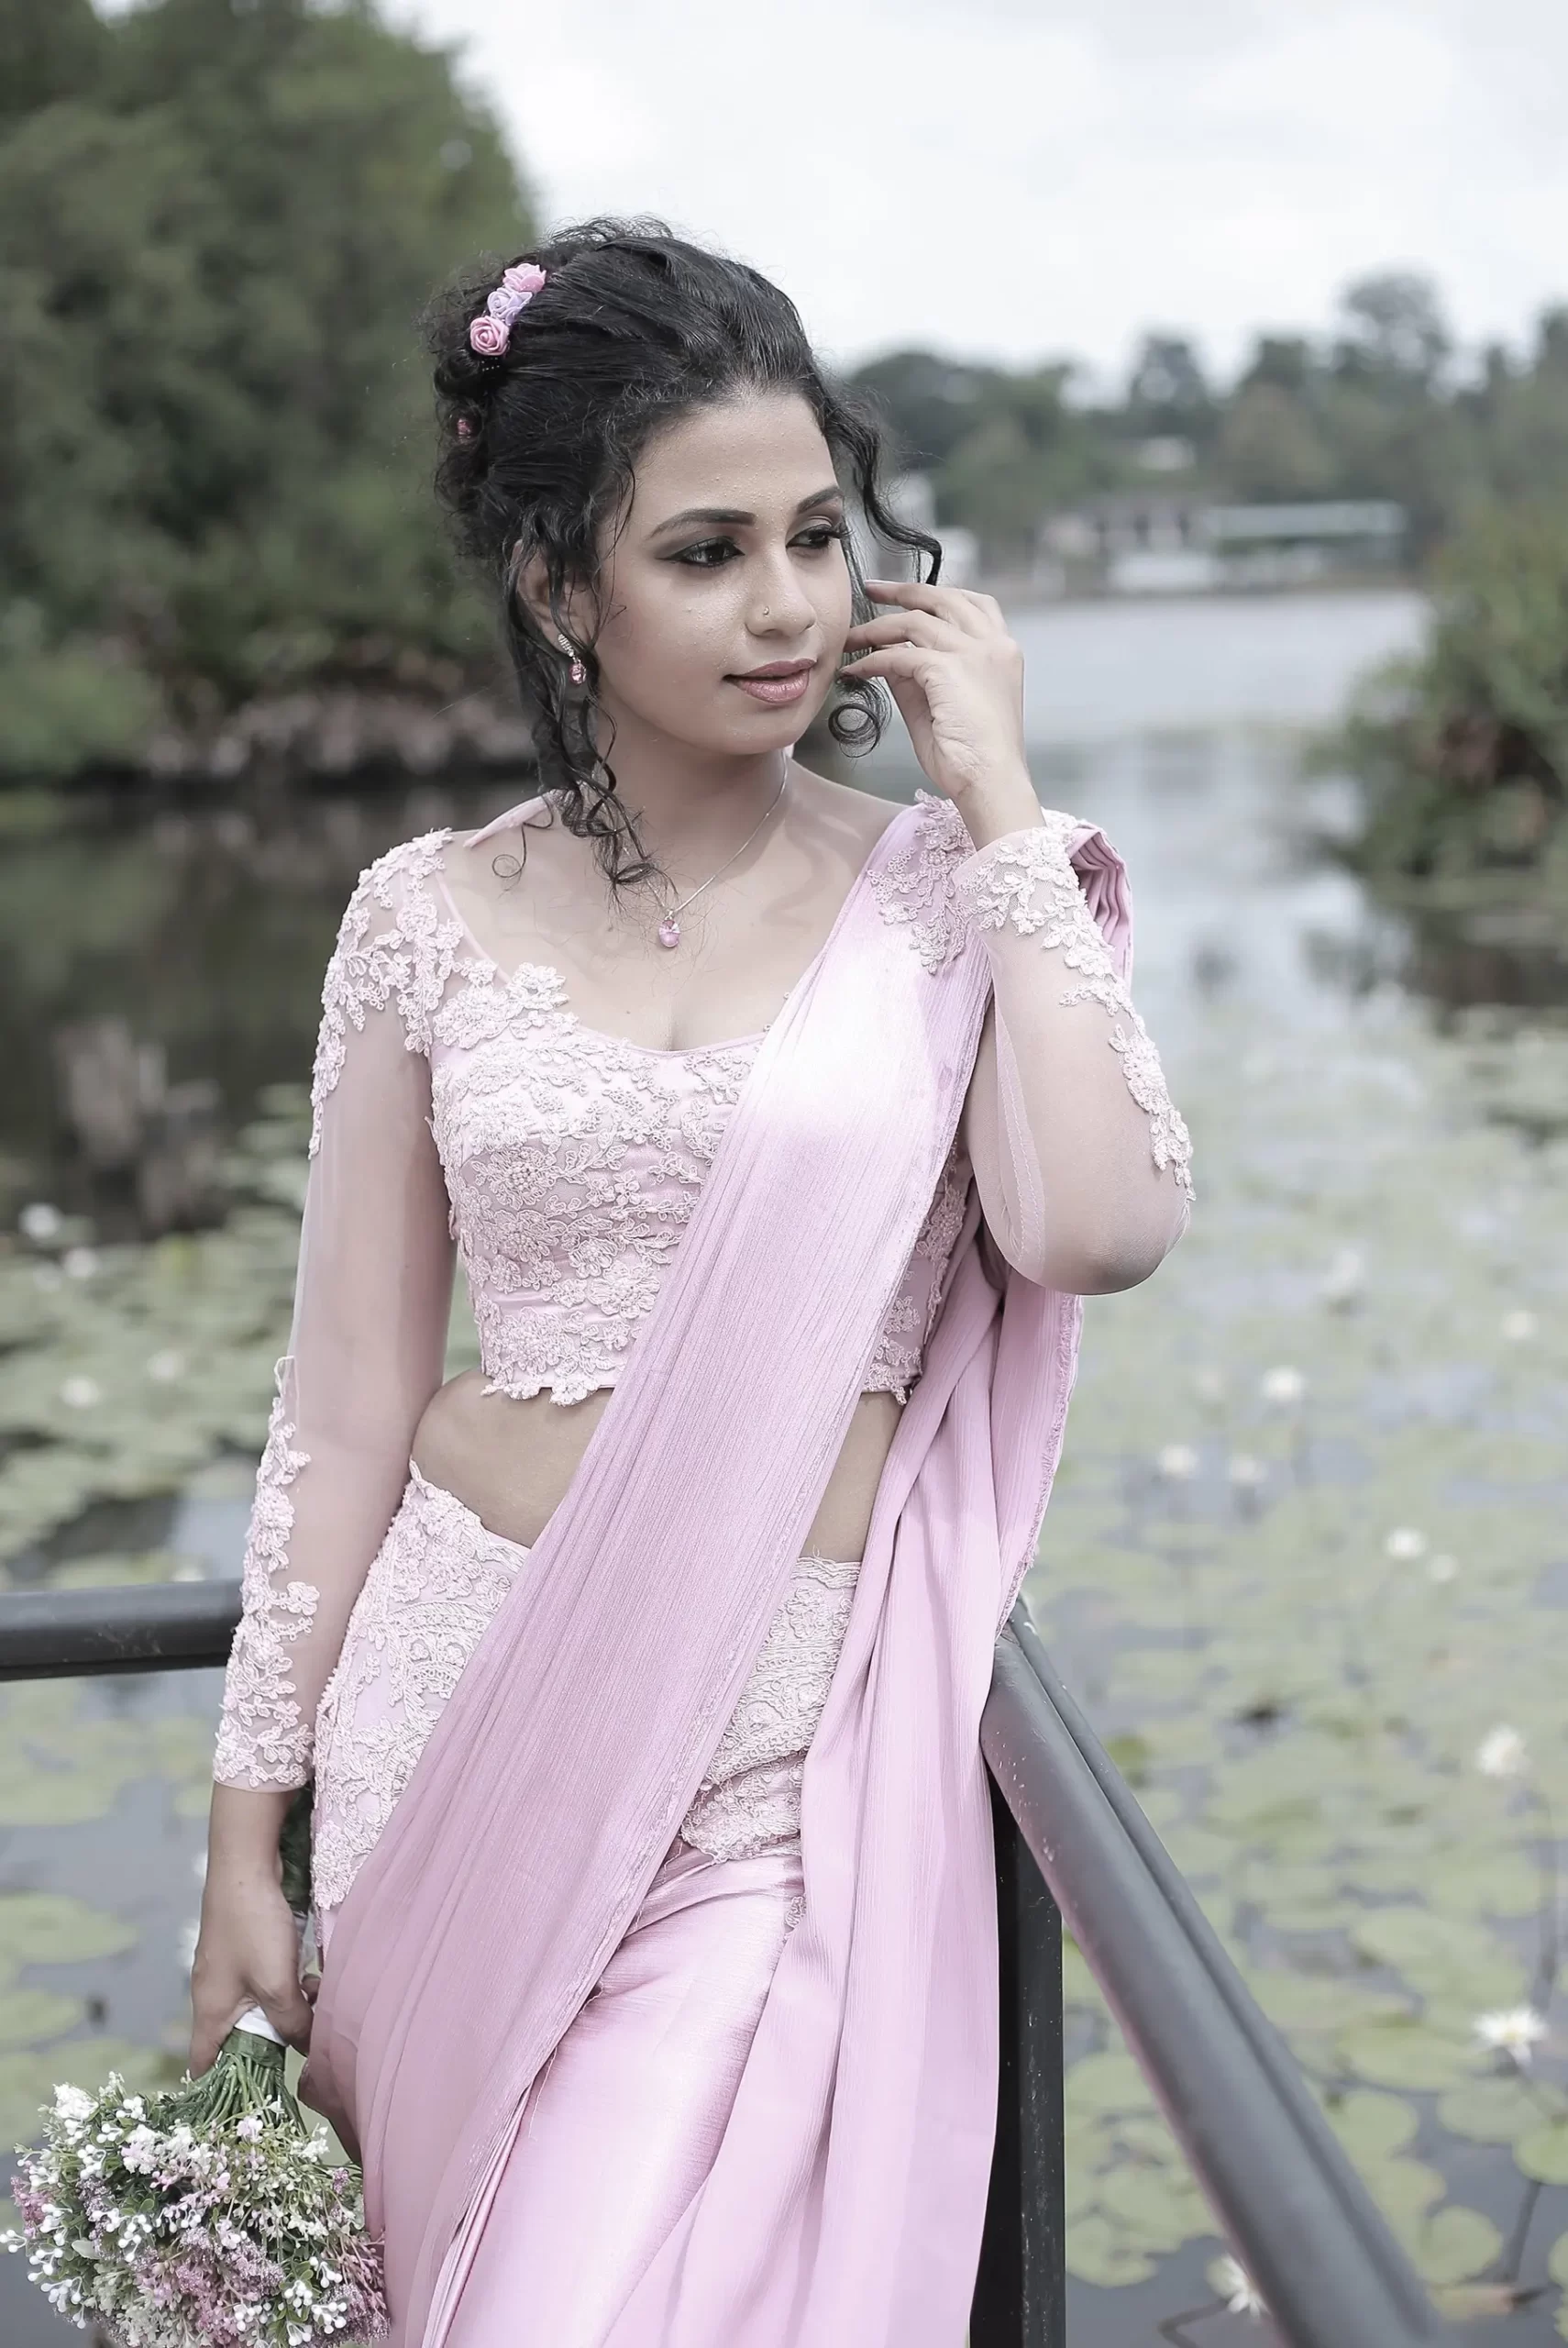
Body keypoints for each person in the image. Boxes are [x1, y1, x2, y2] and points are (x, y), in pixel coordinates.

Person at [190, 219, 1193, 2348]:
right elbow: (345, 1402)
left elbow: (1094, 1226)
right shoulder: (420, 915)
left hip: (762, 1770)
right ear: (564, 585)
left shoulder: (947, 905)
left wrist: (997, 791)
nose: (790, 603)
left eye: (821, 533)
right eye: (709, 548)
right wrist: (239, 1836)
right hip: (445, 1726)